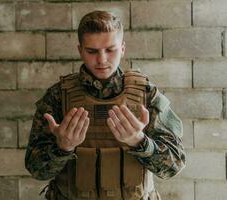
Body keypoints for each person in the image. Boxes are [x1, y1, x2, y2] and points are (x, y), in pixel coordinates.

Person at [25, 10, 186, 200]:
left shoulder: (146, 94)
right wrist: (62, 148)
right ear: (80, 50)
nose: (102, 60)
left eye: (110, 49)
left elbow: (174, 166)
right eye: (92, 51)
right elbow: (36, 171)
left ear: (123, 48)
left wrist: (140, 141)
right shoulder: (58, 96)